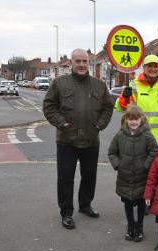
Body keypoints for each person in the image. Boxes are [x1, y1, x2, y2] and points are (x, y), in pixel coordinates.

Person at [43, 48, 113, 229]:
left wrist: (100, 125)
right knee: (65, 178)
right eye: (78, 61)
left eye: (85, 61)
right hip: (67, 140)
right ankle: (66, 212)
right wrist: (61, 123)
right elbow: (49, 106)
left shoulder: (99, 85)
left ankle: (85, 205)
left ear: (88, 64)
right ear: (71, 63)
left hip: (91, 140)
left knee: (89, 176)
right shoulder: (59, 83)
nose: (82, 65)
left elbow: (107, 107)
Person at [108, 105, 158, 242]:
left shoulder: (147, 135)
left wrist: (146, 165)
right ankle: (130, 227)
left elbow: (154, 151)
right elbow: (112, 152)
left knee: (142, 204)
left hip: (142, 177)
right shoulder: (120, 135)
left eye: (136, 119)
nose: (133, 122)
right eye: (131, 119)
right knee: (128, 204)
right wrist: (117, 165)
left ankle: (139, 227)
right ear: (126, 120)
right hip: (125, 177)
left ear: (141, 119)